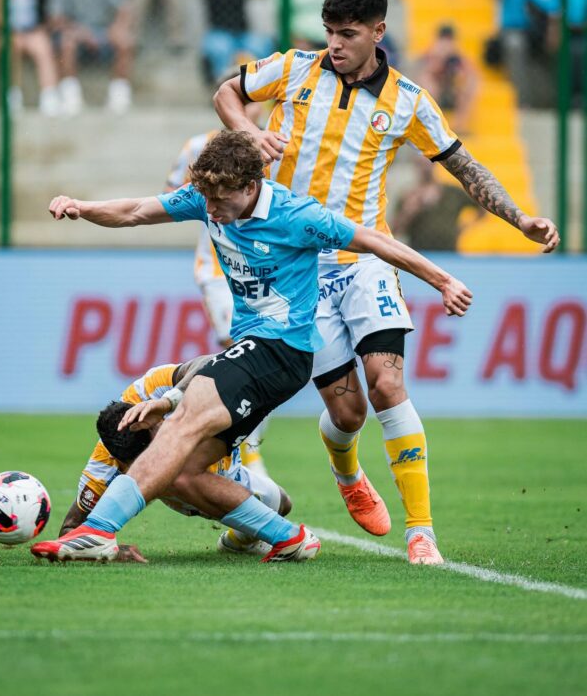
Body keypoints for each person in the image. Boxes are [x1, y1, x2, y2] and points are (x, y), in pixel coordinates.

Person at [213, 0, 560, 564]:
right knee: (344, 413)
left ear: (378, 31)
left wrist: (519, 218)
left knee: (388, 383)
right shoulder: (296, 68)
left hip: (368, 259)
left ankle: (421, 531)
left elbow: (463, 166)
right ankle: (348, 472)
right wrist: (249, 132)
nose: (335, 44)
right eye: (329, 32)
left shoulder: (407, 101)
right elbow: (227, 91)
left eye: (347, 34)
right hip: (298, 273)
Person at [34, 130, 473, 563]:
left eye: (221, 200)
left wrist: (444, 281)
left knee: (179, 426)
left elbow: (376, 241)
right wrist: (82, 207)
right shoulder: (207, 198)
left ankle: (99, 532)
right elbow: (134, 211)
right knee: (183, 474)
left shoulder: (296, 215)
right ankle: (290, 537)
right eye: (205, 198)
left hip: (281, 349)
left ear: (250, 186)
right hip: (253, 348)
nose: (210, 209)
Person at [58, 357, 293, 562]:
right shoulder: (105, 466)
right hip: (190, 491)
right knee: (181, 479)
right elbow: (69, 529)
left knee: (282, 503)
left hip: (229, 467)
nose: (164, 453)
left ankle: (237, 540)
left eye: (158, 437)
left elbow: (210, 362)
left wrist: (170, 400)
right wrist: (115, 551)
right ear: (127, 465)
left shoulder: (152, 389)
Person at [164, 93, 269, 473]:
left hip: (261, 270)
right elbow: (171, 196)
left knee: (257, 354)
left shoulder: (268, 147)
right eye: (244, 104)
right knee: (239, 349)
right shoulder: (197, 147)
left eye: (255, 104)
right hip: (216, 270)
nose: (251, 111)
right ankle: (248, 454)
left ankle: (244, 445)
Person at [48, 0, 134, 114]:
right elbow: (56, 19)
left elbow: (124, 9)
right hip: (74, 33)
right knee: (67, 42)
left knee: (125, 40)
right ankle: (70, 96)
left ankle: (119, 95)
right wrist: (80, 31)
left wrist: (116, 28)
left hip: (103, 32)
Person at [415, 24, 480, 136]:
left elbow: (471, 74)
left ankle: (459, 126)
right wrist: (439, 59)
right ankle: (430, 127)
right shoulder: (430, 53)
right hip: (433, 94)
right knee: (428, 84)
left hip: (450, 92)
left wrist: (458, 68)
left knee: (470, 86)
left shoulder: (456, 55)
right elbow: (427, 72)